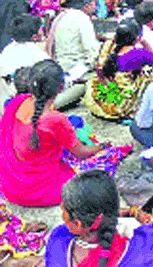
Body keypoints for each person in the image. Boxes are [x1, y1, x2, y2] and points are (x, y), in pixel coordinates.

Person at [0, 60, 128, 207]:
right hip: (38, 190)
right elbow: (81, 153)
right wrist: (101, 147)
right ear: (61, 88)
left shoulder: (18, 101)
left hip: (10, 183)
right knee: (98, 171)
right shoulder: (55, 119)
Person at [44, 170, 153, 266]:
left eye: (63, 210)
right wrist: (148, 218)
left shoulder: (59, 240)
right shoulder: (141, 247)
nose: (62, 215)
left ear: (78, 223)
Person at [85, 18, 153, 121]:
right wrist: (146, 44)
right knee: (151, 71)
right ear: (137, 38)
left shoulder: (107, 49)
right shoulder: (140, 54)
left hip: (104, 102)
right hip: (122, 106)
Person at [46, 0, 100, 109]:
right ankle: (51, 106)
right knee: (93, 81)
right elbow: (91, 51)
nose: (96, 8)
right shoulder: (82, 18)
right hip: (74, 69)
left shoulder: (61, 15)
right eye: (94, 4)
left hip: (58, 65)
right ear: (86, 6)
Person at [0, 14, 48, 110]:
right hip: (27, 105)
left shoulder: (6, 50)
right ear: (35, 37)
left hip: (5, 104)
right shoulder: (37, 54)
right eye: (40, 28)